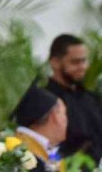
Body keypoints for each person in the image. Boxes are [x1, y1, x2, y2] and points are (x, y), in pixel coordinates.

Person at [45, 34, 102, 163]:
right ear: (55, 62)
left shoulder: (92, 99)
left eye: (84, 61)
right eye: (75, 62)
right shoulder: (45, 102)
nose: (82, 67)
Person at [13, 82, 68, 172]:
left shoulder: (49, 153)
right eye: (64, 114)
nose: (66, 120)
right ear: (55, 117)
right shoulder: (23, 155)